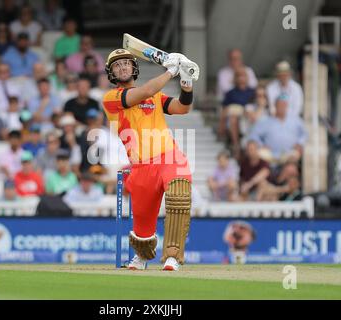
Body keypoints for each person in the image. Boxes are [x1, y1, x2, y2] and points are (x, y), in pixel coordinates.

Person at [102, 48, 199, 271]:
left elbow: (182, 107)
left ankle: (173, 256)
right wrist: (170, 71)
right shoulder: (111, 99)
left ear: (134, 67)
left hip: (169, 157)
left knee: (179, 195)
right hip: (141, 166)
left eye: (126, 63)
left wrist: (186, 81)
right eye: (117, 65)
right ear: (111, 73)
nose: (123, 67)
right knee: (143, 231)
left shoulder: (155, 95)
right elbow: (144, 92)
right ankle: (143, 256)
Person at [248, 94, 308, 165]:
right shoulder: (266, 121)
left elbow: (305, 133)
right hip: (270, 155)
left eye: (284, 105)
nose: (282, 107)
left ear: (287, 106)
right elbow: (253, 135)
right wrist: (261, 145)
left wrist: (299, 143)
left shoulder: (295, 120)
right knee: (259, 153)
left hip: (288, 153)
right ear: (275, 105)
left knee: (295, 156)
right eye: (280, 105)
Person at [218, 67, 255, 158]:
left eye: (243, 76)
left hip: (250, 118)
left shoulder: (253, 92)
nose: (241, 78)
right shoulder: (230, 93)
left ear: (247, 77)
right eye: (239, 76)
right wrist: (221, 125)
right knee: (233, 118)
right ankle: (236, 146)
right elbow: (224, 109)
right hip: (235, 119)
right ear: (235, 78)